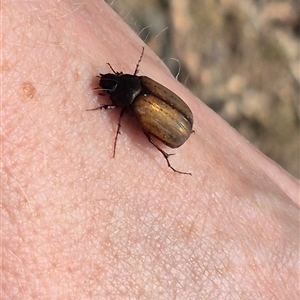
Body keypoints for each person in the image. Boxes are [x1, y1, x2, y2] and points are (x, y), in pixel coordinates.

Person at [2, 1, 299, 298]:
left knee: (145, 135)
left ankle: (168, 161)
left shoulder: (134, 101)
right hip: (174, 114)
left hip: (171, 123)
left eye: (112, 84)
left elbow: (132, 110)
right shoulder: (138, 82)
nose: (109, 83)